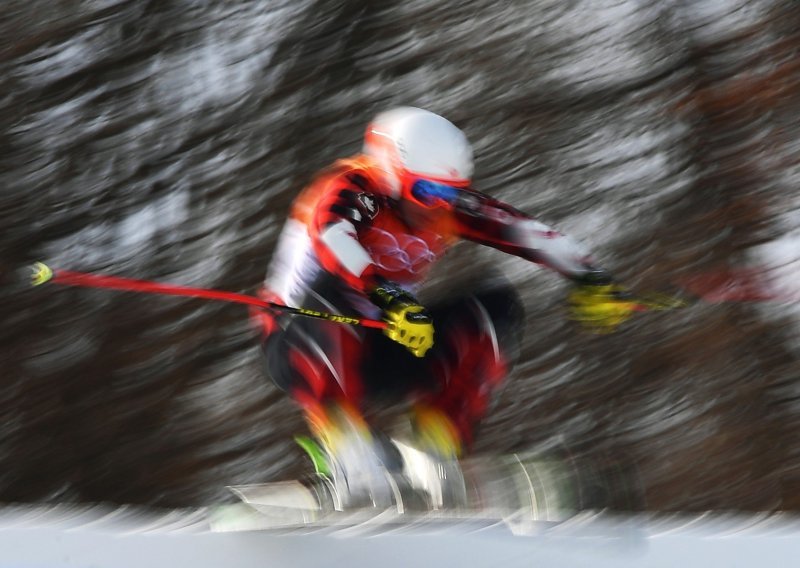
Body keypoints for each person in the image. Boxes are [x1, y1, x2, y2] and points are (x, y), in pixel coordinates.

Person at [253, 107, 634, 507]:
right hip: (303, 343)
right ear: (390, 174)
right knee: (329, 294)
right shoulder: (353, 190)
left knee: (496, 307)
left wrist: (589, 276)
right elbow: (335, 239)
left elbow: (518, 228)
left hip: (386, 344)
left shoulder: (444, 208)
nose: (437, 207)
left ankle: (430, 446)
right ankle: (348, 447)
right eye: (426, 193)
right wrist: (390, 296)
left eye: (450, 194)